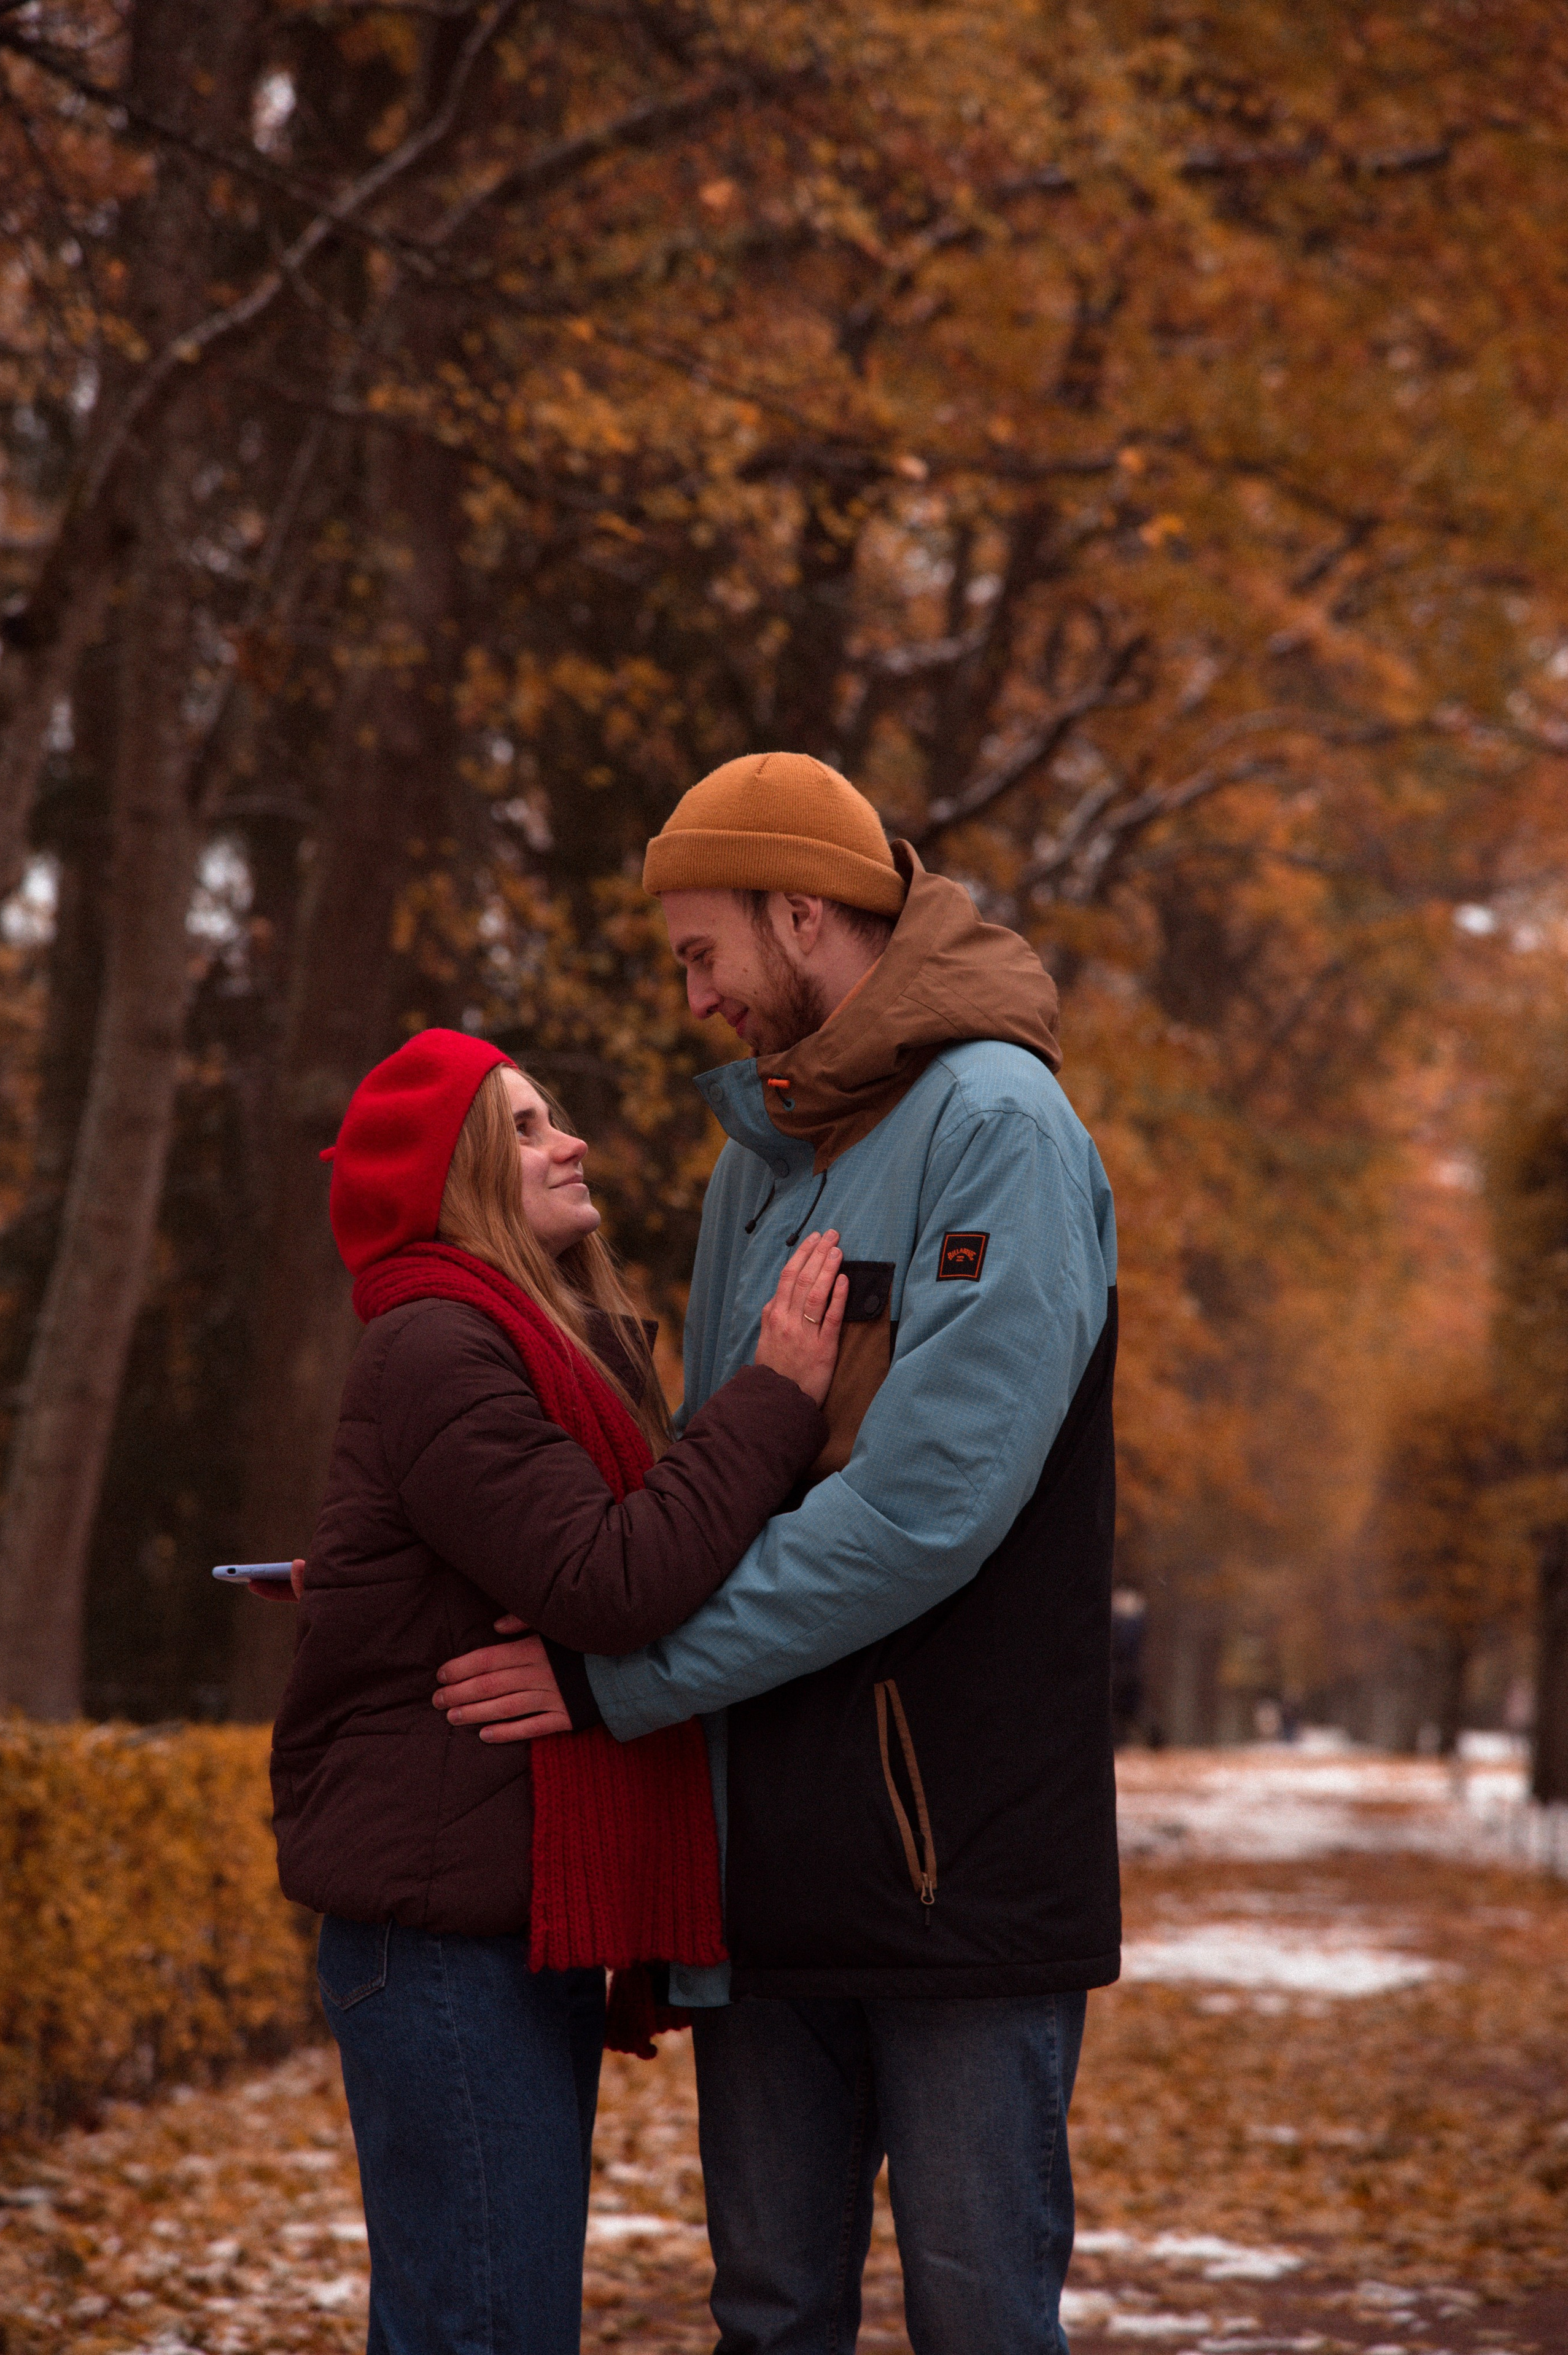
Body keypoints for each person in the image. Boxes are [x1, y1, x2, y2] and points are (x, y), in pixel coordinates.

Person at [435, 753, 1120, 2355]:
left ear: (802, 915)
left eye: (702, 953)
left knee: (978, 2317)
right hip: (759, 1865)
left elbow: (925, 1509)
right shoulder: (764, 1151)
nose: (694, 999)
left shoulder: (1000, 1127)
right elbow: (708, 1475)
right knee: (769, 2315)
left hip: (955, 1863)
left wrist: (618, 1679)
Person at [266, 1024, 847, 2355]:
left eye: (552, 1115)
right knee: (483, 2329)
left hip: (488, 1925)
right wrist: (772, 1400)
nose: (567, 1140)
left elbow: (579, 1550)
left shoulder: (524, 1341)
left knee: (489, 2320)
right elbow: (613, 1576)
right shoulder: (441, 1347)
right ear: (454, 1181)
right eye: (523, 1127)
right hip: (442, 1945)